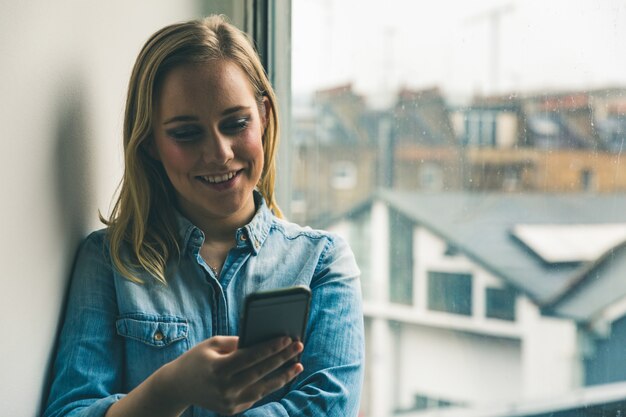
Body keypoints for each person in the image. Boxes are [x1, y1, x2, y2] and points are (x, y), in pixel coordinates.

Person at [43, 15, 364, 417]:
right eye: (185, 132)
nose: (219, 153)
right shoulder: (108, 262)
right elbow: (68, 410)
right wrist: (171, 387)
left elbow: (328, 410)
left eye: (236, 123)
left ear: (263, 117)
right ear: (150, 144)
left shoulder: (322, 262)